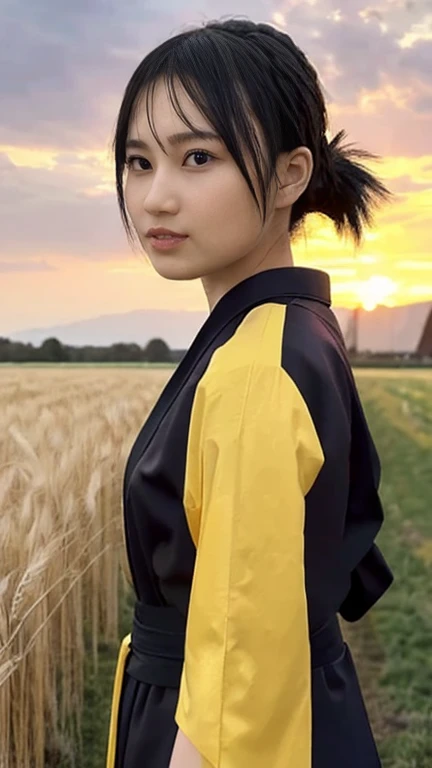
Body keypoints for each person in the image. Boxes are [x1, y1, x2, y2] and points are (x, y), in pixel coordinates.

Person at [105, 17, 394, 768]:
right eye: (139, 162)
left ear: (292, 175)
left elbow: (239, 678)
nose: (156, 198)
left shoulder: (254, 369)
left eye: (196, 157)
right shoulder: (295, 327)